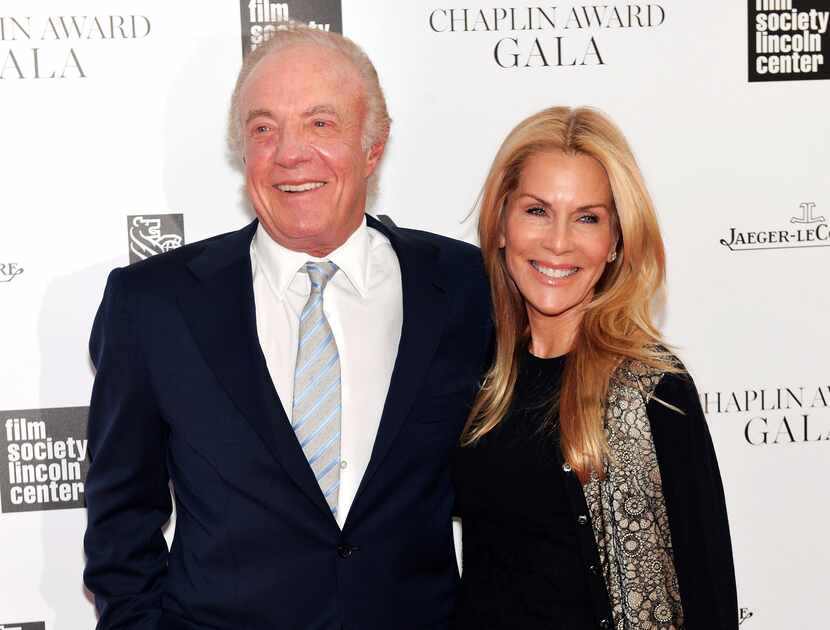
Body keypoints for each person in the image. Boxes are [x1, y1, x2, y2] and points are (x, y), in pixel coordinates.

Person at [83, 24, 491, 630]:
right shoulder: (153, 305)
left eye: (321, 124)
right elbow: (120, 521)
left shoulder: (464, 287)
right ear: (243, 152)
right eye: (264, 128)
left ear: (373, 147)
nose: (290, 154)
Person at [453, 106, 737, 630]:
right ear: (499, 224)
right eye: (537, 210)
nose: (559, 242)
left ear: (615, 243)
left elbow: (708, 587)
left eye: (587, 218)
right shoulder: (473, 373)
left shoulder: (650, 389)